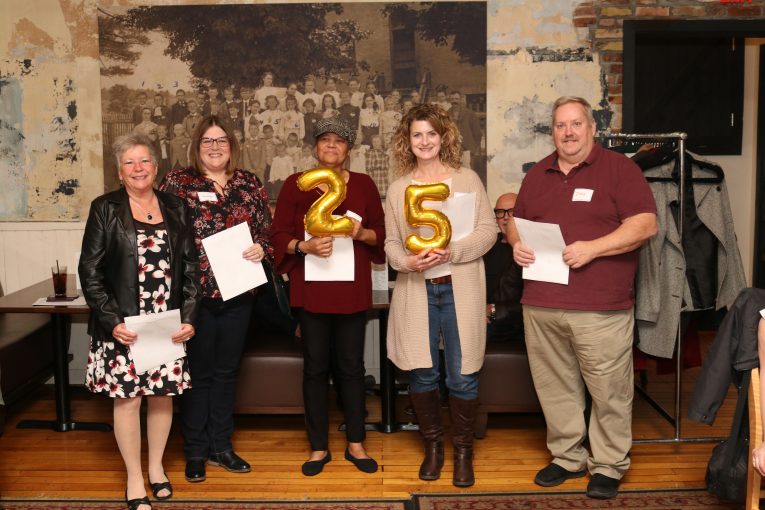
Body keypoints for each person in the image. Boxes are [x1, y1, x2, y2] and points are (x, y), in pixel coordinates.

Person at [507, 96, 657, 499]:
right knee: (555, 387)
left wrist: (594, 248)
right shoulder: (538, 173)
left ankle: (608, 463)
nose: (568, 133)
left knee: (609, 389)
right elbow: (516, 224)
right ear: (552, 131)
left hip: (599, 306)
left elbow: (645, 224)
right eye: (560, 126)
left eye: (576, 124)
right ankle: (567, 456)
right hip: (540, 302)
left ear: (592, 128)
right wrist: (516, 244)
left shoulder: (620, 170)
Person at [80, 133, 201, 510]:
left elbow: (192, 267)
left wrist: (191, 317)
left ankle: (156, 469)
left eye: (144, 161)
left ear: (156, 166)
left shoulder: (176, 206)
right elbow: (91, 270)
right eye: (130, 163)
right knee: (129, 401)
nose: (138, 168)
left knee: (162, 398)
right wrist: (111, 318)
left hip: (166, 323)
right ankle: (134, 477)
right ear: (120, 172)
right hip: (125, 327)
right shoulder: (105, 208)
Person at [384, 103, 496, 487]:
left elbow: (488, 231)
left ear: (443, 137)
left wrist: (455, 252)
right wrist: (406, 262)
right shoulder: (399, 188)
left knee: (463, 377)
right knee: (423, 373)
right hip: (418, 290)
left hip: (459, 289)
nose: (425, 141)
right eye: (417, 134)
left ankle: (464, 451)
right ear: (408, 141)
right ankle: (434, 447)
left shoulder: (467, 179)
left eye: (431, 133)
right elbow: (391, 245)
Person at [160, 115, 273, 484]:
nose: (214, 147)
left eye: (221, 140)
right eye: (207, 141)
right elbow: (164, 235)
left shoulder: (249, 182)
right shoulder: (179, 183)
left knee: (227, 374)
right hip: (197, 297)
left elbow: (266, 232)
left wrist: (262, 248)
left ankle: (221, 446)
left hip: (240, 293)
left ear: (232, 145)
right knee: (199, 375)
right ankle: (194, 450)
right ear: (196, 146)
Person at [271, 117, 385, 477]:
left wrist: (361, 232)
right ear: (316, 148)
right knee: (316, 369)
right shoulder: (296, 185)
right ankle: (318, 446)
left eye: (339, 141)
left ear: (349, 149)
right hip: (311, 291)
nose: (331, 146)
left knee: (352, 368)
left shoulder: (364, 185)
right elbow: (278, 235)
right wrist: (302, 245)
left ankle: (356, 442)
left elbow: (380, 235)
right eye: (325, 141)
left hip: (351, 291)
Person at [484, 192, 524, 342]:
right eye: (500, 212)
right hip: (479, 320)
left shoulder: (529, 251)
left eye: (512, 212)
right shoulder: (486, 247)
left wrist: (493, 312)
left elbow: (528, 302)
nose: (506, 217)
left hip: (512, 327)